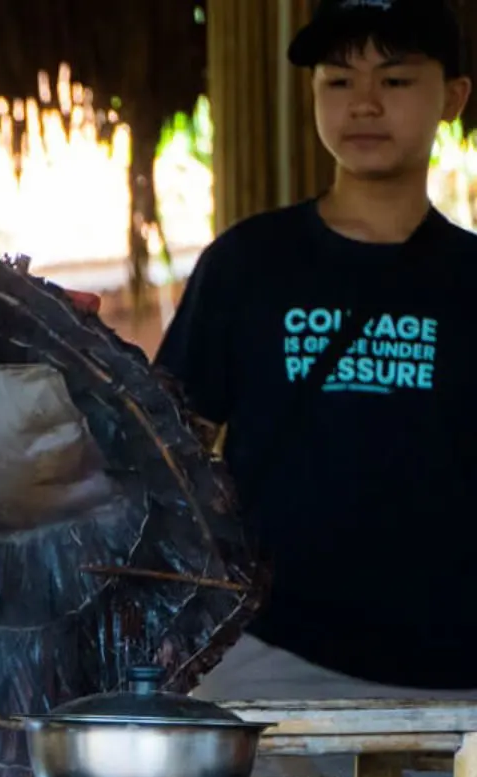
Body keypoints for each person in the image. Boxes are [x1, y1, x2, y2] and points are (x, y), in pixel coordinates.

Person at [155, 0, 477, 705]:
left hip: (455, 674)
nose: (364, 103)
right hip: (269, 654)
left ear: (453, 98)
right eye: (338, 80)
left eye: (395, 80)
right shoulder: (246, 264)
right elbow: (166, 451)